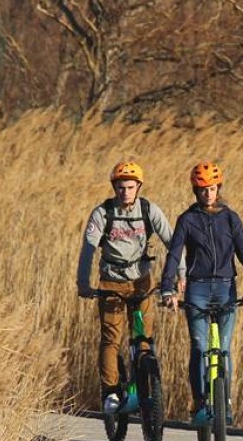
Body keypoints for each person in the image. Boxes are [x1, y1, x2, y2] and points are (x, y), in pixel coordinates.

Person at [160, 162, 243, 426]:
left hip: (226, 287)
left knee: (224, 349)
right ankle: (200, 402)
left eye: (212, 188)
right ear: (196, 190)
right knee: (200, 347)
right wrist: (168, 287)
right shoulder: (187, 219)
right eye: (203, 189)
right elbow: (174, 254)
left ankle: (225, 402)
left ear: (219, 189)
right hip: (198, 289)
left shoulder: (230, 218)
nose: (208, 194)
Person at [76, 160, 178, 413]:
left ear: (138, 187)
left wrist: (181, 275)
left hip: (142, 284)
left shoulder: (148, 210)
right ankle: (111, 392)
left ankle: (144, 387)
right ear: (114, 187)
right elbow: (88, 249)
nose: (125, 192)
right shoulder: (102, 213)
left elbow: (172, 242)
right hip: (111, 283)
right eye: (121, 187)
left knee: (143, 338)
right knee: (111, 339)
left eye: (130, 187)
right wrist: (83, 283)